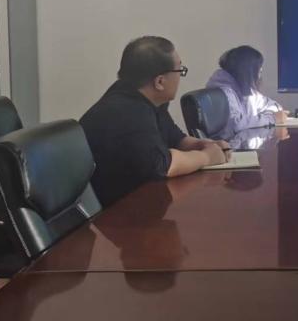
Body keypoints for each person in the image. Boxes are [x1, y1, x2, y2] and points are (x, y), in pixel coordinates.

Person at [81, 36, 229, 207]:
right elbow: (163, 166)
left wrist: (205, 145)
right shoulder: (127, 112)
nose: (181, 76)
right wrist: (206, 157)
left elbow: (175, 138)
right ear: (159, 82)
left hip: (140, 197)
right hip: (117, 211)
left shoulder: (147, 99)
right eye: (179, 70)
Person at [206, 45, 286, 138]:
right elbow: (236, 125)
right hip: (228, 145)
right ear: (248, 71)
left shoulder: (243, 88)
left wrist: (272, 114)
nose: (260, 75)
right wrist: (272, 118)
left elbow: (272, 105)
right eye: (259, 71)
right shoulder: (224, 92)